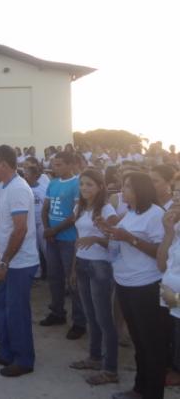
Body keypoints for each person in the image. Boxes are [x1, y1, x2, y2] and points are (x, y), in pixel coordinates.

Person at [100, 171, 169, 399]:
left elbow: (160, 253)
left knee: (151, 344)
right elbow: (122, 239)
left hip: (145, 286)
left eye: (128, 187)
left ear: (140, 189)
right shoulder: (129, 212)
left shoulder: (156, 214)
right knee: (139, 342)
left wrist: (128, 237)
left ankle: (153, 393)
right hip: (125, 283)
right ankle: (140, 389)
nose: (123, 191)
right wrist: (110, 232)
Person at [0, 145, 39, 378]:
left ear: (4, 165)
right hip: (7, 261)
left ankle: (24, 359)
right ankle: (6, 352)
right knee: (3, 308)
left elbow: (20, 229)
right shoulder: (2, 187)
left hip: (19, 262)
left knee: (17, 311)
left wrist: (4, 262)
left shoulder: (18, 189)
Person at [68, 169, 119, 385]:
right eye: (82, 184)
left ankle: (111, 369)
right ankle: (95, 357)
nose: (85, 188)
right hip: (82, 263)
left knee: (104, 318)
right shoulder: (79, 207)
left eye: (89, 184)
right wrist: (73, 267)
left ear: (100, 186)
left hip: (100, 266)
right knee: (90, 315)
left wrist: (96, 240)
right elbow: (78, 240)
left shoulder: (107, 210)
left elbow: (116, 243)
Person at [41, 151, 86, 340]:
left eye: (59, 164)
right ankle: (58, 312)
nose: (55, 168)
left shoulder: (77, 184)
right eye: (54, 164)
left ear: (69, 165)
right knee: (54, 277)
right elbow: (45, 208)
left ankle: (79, 321)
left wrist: (55, 230)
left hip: (68, 239)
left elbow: (75, 215)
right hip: (52, 238)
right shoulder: (52, 183)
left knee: (73, 280)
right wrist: (46, 228)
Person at [157, 172, 180, 387]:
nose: (178, 198)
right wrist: (168, 233)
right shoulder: (175, 226)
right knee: (172, 327)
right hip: (169, 287)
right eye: (176, 192)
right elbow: (162, 264)